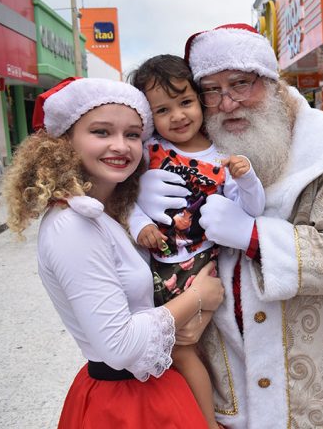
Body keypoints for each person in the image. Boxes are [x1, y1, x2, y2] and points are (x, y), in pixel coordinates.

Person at [135, 23, 323, 428]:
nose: (227, 103)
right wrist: (133, 201)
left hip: (316, 392)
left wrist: (255, 237)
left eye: (241, 83)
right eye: (211, 90)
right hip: (226, 387)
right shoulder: (172, 155)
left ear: (272, 84)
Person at [3, 77, 225, 428]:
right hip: (125, 404)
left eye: (133, 134)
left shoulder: (106, 211)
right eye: (102, 132)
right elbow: (120, 346)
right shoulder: (73, 224)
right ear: (65, 141)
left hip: (148, 390)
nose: (121, 146)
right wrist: (197, 297)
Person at [128, 54, 265, 429]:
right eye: (163, 109)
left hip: (202, 265)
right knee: (168, 351)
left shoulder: (223, 153)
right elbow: (125, 200)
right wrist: (139, 223)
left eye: (185, 102)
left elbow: (251, 208)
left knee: (184, 348)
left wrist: (248, 177)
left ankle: (205, 421)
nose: (178, 116)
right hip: (156, 265)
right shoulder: (147, 151)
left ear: (199, 100)